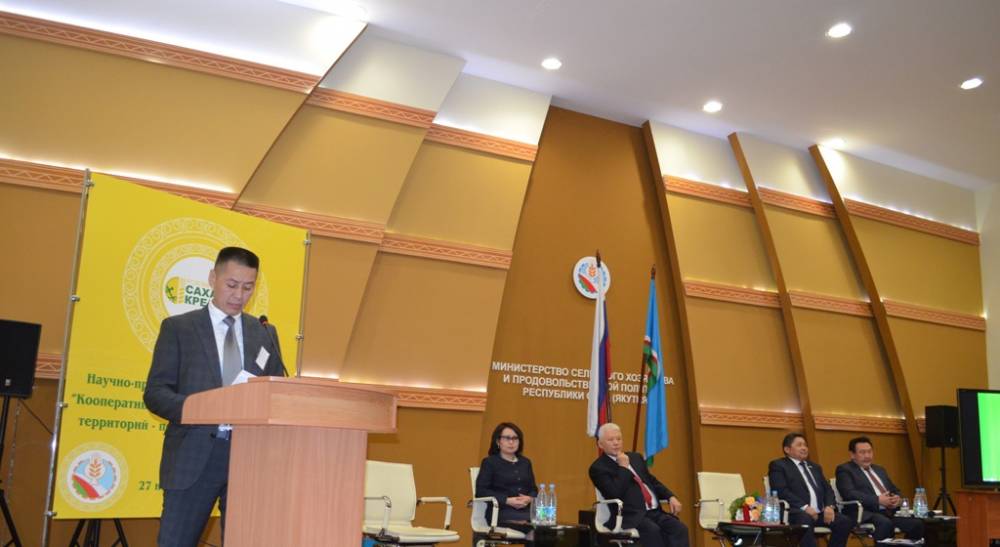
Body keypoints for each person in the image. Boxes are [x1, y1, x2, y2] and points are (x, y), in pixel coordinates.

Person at [144, 247, 286, 547]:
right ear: (212, 278)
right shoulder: (179, 328)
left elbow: (278, 393)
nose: (239, 295)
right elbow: (155, 393)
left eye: (248, 287)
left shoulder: (265, 333)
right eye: (231, 285)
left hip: (250, 458)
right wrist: (200, 408)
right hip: (193, 456)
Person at [589, 423, 689, 547]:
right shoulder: (598, 468)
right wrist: (623, 468)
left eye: (619, 439)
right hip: (630, 515)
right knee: (653, 531)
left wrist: (670, 496)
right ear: (600, 444)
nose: (616, 443)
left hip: (654, 512)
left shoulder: (635, 457)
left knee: (679, 529)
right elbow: (614, 492)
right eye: (611, 440)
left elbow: (652, 481)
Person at [768, 432, 852, 547]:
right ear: (787, 449)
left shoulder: (815, 467)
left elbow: (827, 489)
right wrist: (805, 507)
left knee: (844, 521)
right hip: (796, 512)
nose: (804, 448)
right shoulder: (779, 465)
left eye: (805, 445)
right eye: (799, 445)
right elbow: (781, 491)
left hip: (820, 513)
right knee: (805, 518)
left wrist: (829, 506)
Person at [834, 436, 923, 542]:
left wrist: (897, 498)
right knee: (885, 523)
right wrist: (877, 500)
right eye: (862, 452)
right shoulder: (845, 470)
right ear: (852, 455)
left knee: (917, 523)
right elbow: (849, 493)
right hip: (865, 512)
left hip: (889, 512)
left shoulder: (879, 470)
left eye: (869, 452)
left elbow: (894, 490)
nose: (867, 456)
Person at [474, 422, 538, 523]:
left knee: (548, 526)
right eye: (507, 438)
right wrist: (507, 500)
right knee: (529, 526)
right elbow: (481, 491)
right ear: (498, 441)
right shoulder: (490, 462)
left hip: (526, 511)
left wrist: (529, 498)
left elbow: (533, 489)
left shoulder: (525, 462)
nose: (511, 442)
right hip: (500, 512)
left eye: (515, 438)